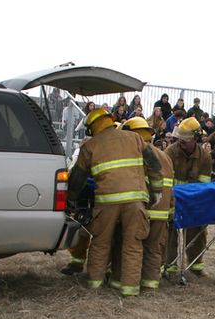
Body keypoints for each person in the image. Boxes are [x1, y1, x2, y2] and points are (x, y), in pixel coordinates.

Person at [66, 109, 162, 297]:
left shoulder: (90, 146)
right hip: (135, 201)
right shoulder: (133, 138)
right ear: (110, 121)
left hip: (107, 202)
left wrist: (70, 197)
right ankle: (130, 289)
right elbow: (154, 163)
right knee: (133, 244)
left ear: (92, 128)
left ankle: (94, 284)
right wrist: (156, 192)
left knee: (101, 242)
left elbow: (78, 179)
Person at [120, 117, 174, 291]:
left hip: (144, 209)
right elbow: (170, 187)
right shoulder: (164, 156)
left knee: (132, 245)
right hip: (162, 210)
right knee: (154, 248)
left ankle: (125, 281)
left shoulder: (138, 153)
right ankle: (150, 284)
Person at [164, 117, 212, 276]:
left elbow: (203, 185)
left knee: (197, 231)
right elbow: (165, 181)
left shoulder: (204, 157)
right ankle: (169, 265)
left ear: (195, 140)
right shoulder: (170, 152)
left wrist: (197, 207)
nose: (180, 143)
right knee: (169, 232)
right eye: (179, 140)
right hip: (172, 200)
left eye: (184, 141)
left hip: (194, 201)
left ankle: (196, 264)